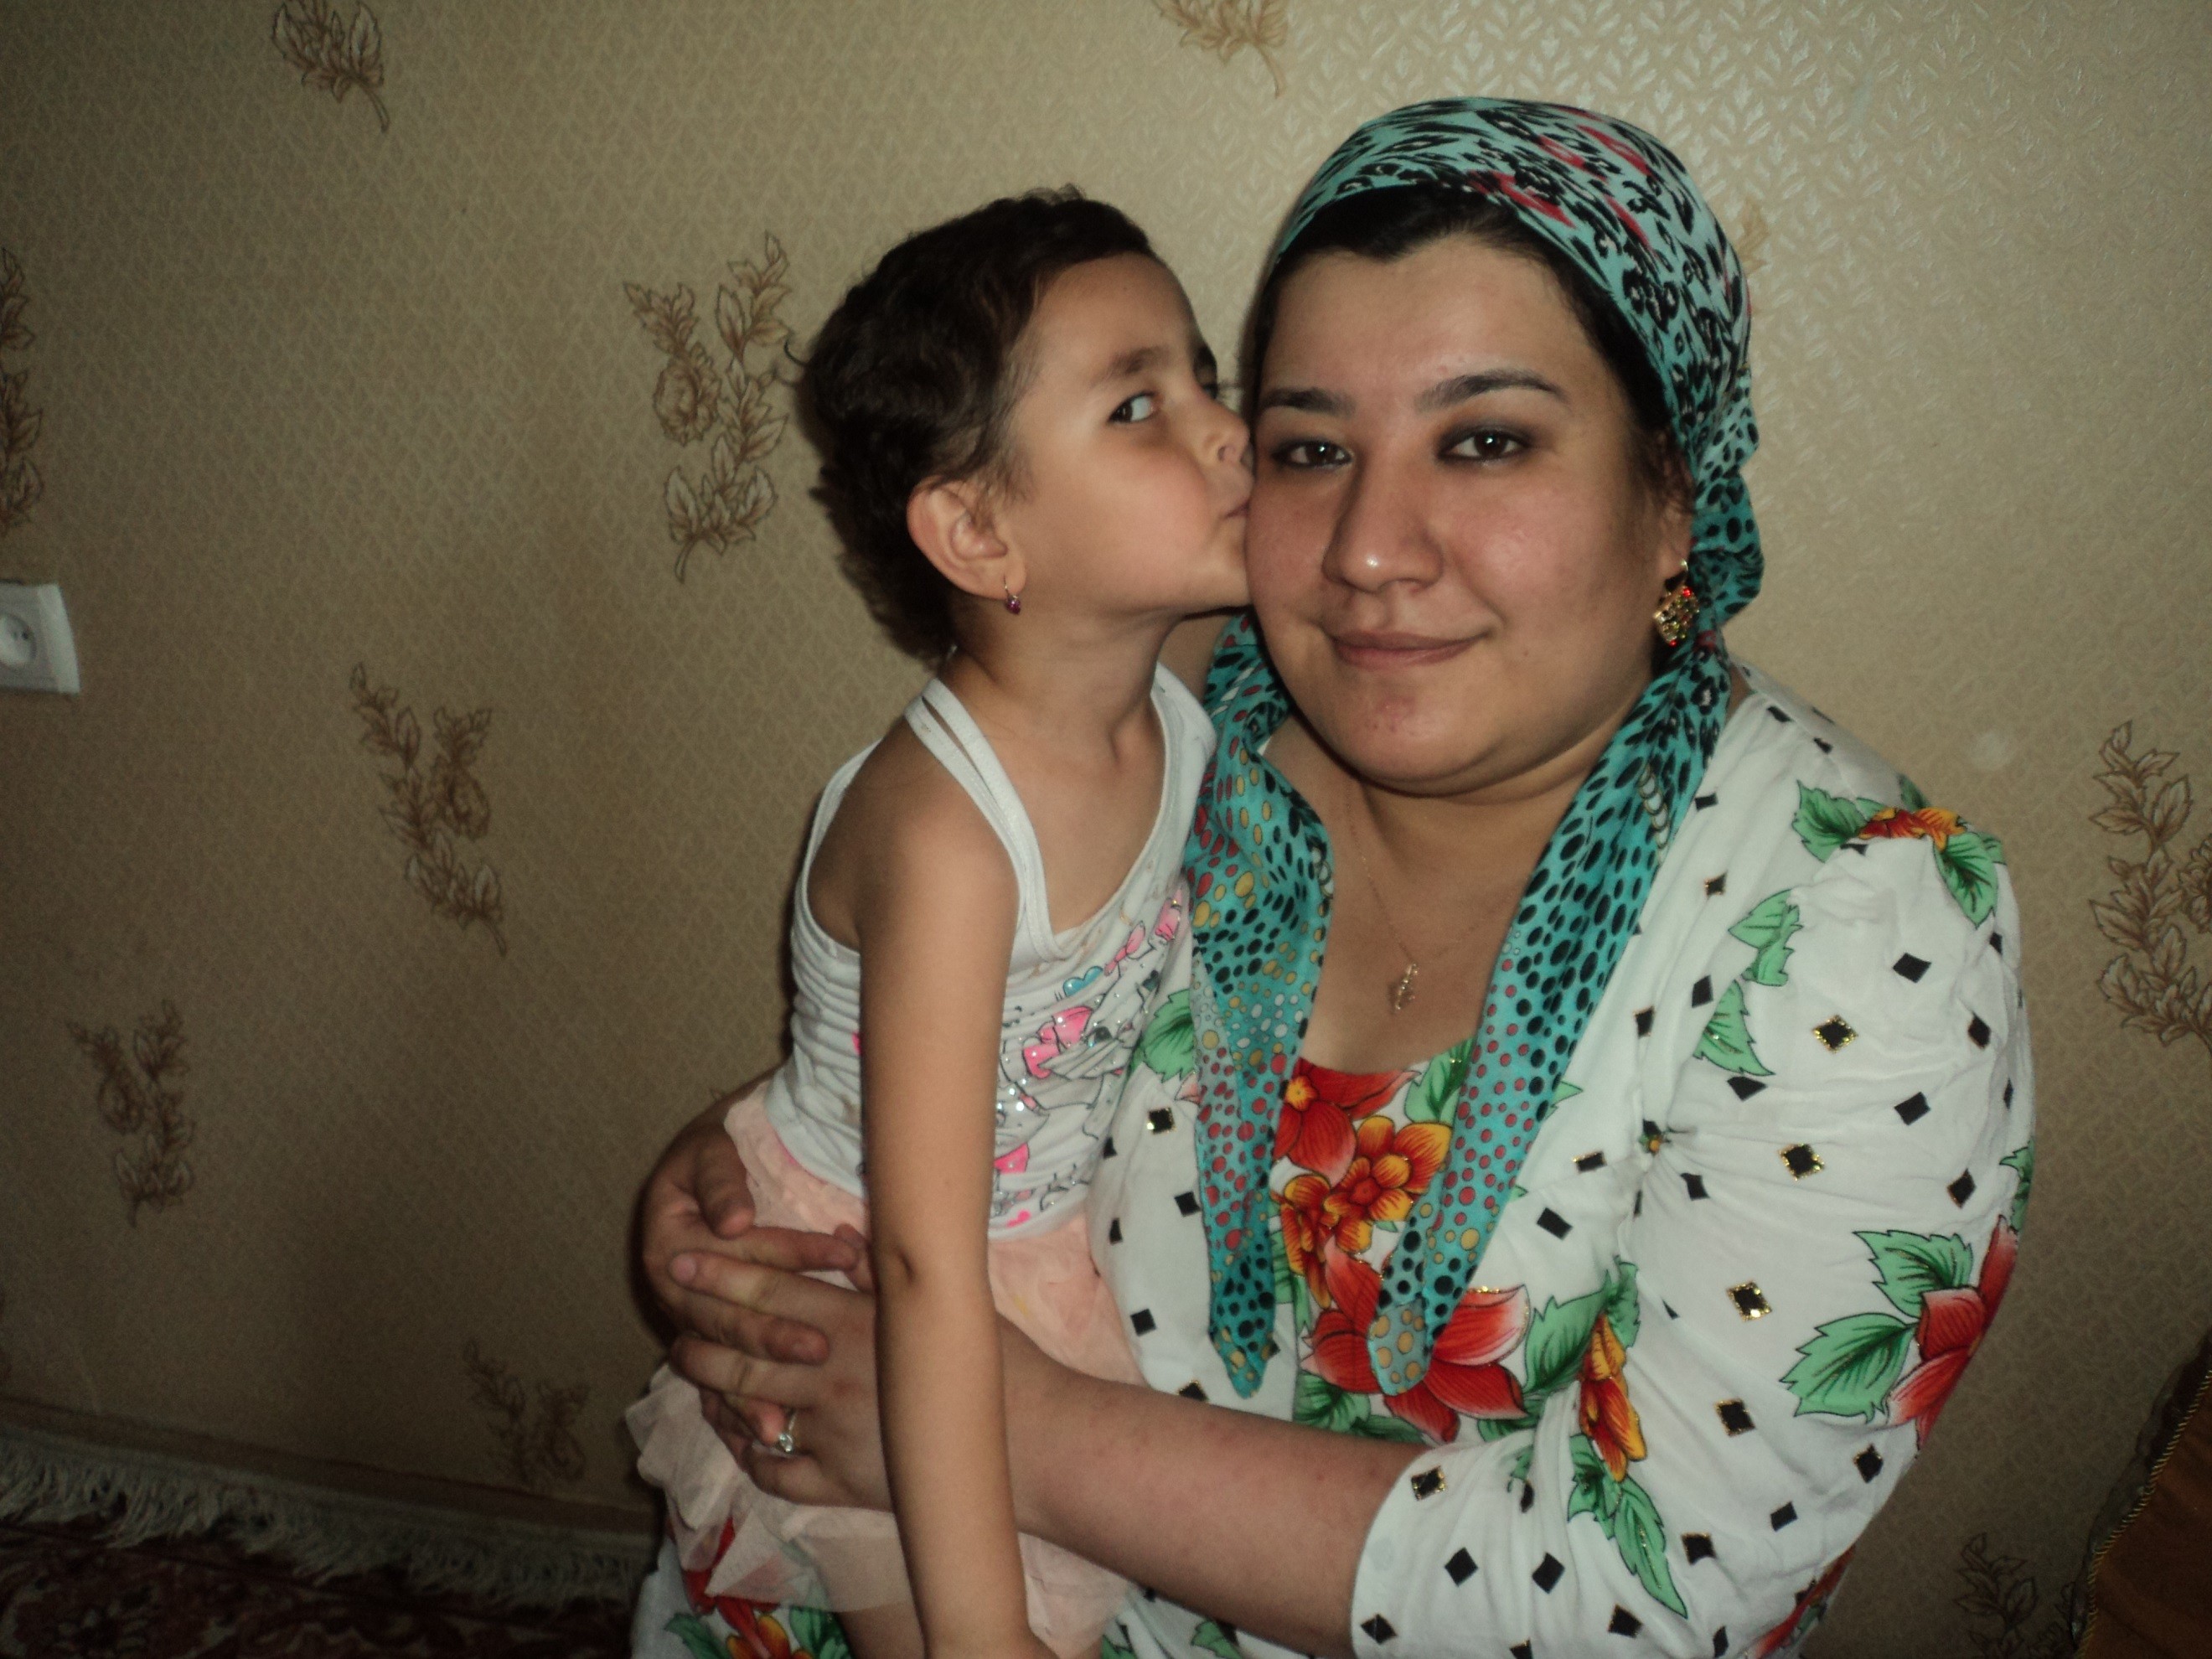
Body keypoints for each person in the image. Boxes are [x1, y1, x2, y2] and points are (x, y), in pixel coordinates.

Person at [635, 99, 2034, 1659]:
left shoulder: (1858, 934)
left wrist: (997, 1427)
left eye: (1485, 440)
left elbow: (1639, 1600)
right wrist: (754, 1172)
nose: (1369, 549)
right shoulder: (1200, 718)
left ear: (1674, 494)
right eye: (1311, 448)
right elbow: (993, 995)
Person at [623, 190, 1252, 1659]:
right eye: (1140, 406)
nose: (1227, 432)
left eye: (1206, 377)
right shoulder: (950, 840)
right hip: (871, 1266)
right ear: (976, 529)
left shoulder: (1179, 673)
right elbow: (922, 1270)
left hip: (1050, 1238)